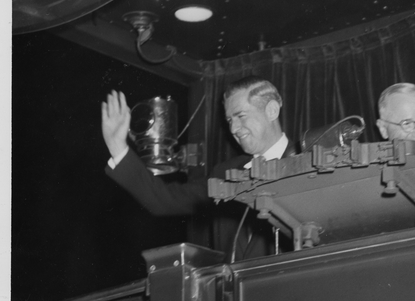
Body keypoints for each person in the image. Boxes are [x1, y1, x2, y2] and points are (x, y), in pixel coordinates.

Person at [102, 76, 296, 258]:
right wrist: (117, 145)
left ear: (272, 111)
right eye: (230, 120)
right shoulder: (226, 173)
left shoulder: (309, 161)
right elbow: (163, 200)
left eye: (241, 116)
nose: (234, 129)